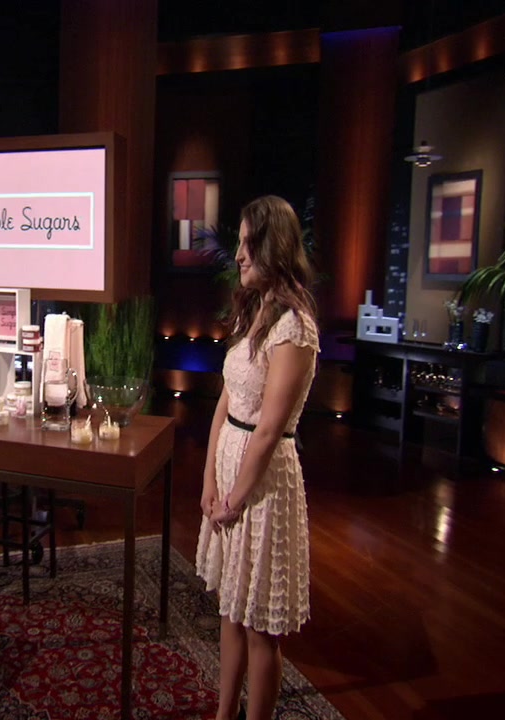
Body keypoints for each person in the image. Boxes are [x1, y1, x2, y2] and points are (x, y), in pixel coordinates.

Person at [196, 195, 319, 720]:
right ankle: (224, 713)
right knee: (231, 604)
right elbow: (225, 403)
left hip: (263, 484)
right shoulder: (254, 313)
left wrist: (237, 499)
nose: (240, 255)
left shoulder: (295, 327)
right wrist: (209, 480)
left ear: (275, 248)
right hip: (230, 468)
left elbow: (269, 429)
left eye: (249, 244)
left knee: (259, 625)